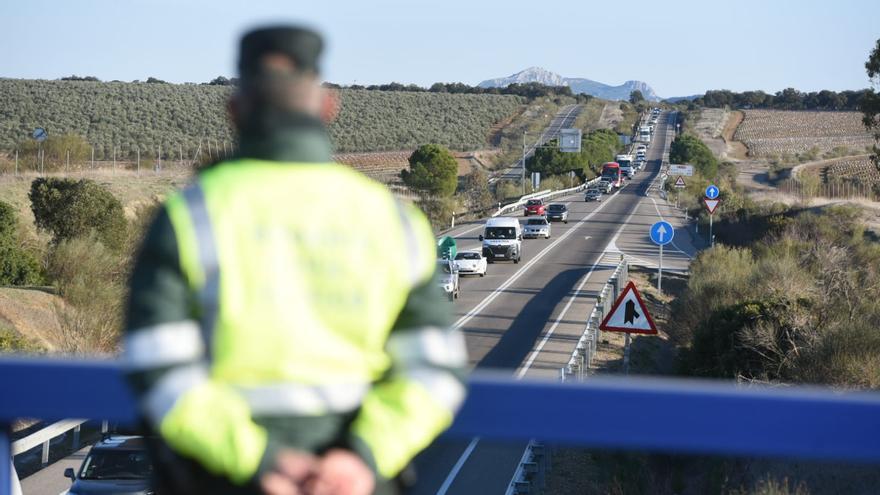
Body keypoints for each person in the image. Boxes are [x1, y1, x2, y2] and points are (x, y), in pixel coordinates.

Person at [123, 25, 467, 495]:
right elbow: (435, 373)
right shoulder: (394, 220)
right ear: (328, 107)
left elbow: (158, 369)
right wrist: (361, 460)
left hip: (223, 480)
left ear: (235, 111)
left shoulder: (190, 216)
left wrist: (262, 462)